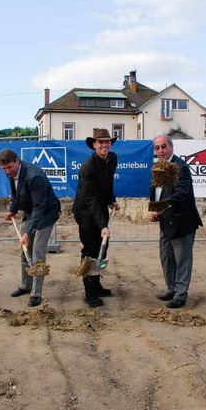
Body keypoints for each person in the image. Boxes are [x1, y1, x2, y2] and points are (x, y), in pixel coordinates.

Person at [0, 149, 60, 308]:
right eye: (4, 169)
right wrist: (13, 209)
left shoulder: (34, 176)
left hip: (46, 213)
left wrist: (27, 232)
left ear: (17, 161)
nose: (7, 171)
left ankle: (36, 293)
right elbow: (15, 194)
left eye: (9, 167)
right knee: (25, 251)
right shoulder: (11, 173)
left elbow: (40, 207)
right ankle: (26, 285)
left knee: (37, 252)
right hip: (30, 211)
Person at [150, 135, 202, 309]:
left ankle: (181, 294)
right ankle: (171, 288)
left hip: (182, 222)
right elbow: (157, 191)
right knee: (166, 257)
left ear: (171, 147)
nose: (160, 151)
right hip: (165, 221)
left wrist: (161, 209)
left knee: (182, 259)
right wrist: (155, 211)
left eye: (163, 146)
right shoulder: (157, 167)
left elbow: (180, 194)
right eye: (157, 148)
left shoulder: (181, 167)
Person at [72, 128, 120, 308]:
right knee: (91, 251)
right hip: (85, 213)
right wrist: (103, 225)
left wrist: (112, 200)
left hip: (100, 208)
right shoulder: (87, 168)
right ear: (94, 145)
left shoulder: (112, 158)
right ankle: (89, 292)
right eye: (100, 142)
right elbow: (90, 199)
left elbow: (108, 183)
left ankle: (97, 284)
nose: (104, 145)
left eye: (107, 142)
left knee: (103, 250)